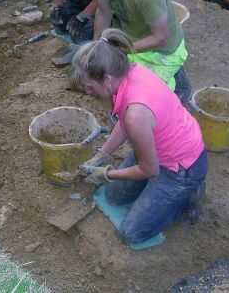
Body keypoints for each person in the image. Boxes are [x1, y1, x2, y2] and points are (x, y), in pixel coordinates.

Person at [72, 28, 208, 245]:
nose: (88, 92)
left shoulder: (137, 113)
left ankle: (186, 197)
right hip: (159, 146)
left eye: (90, 86)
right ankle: (156, 192)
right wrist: (102, 155)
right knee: (113, 197)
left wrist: (107, 174)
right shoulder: (129, 71)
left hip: (182, 168)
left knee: (132, 233)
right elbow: (125, 122)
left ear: (106, 79)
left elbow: (149, 169)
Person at [75, 0, 191, 104]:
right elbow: (103, 12)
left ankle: (178, 90)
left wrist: (120, 50)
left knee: (150, 99)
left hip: (163, 51)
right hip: (134, 43)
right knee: (120, 86)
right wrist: (97, 48)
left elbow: (161, 37)